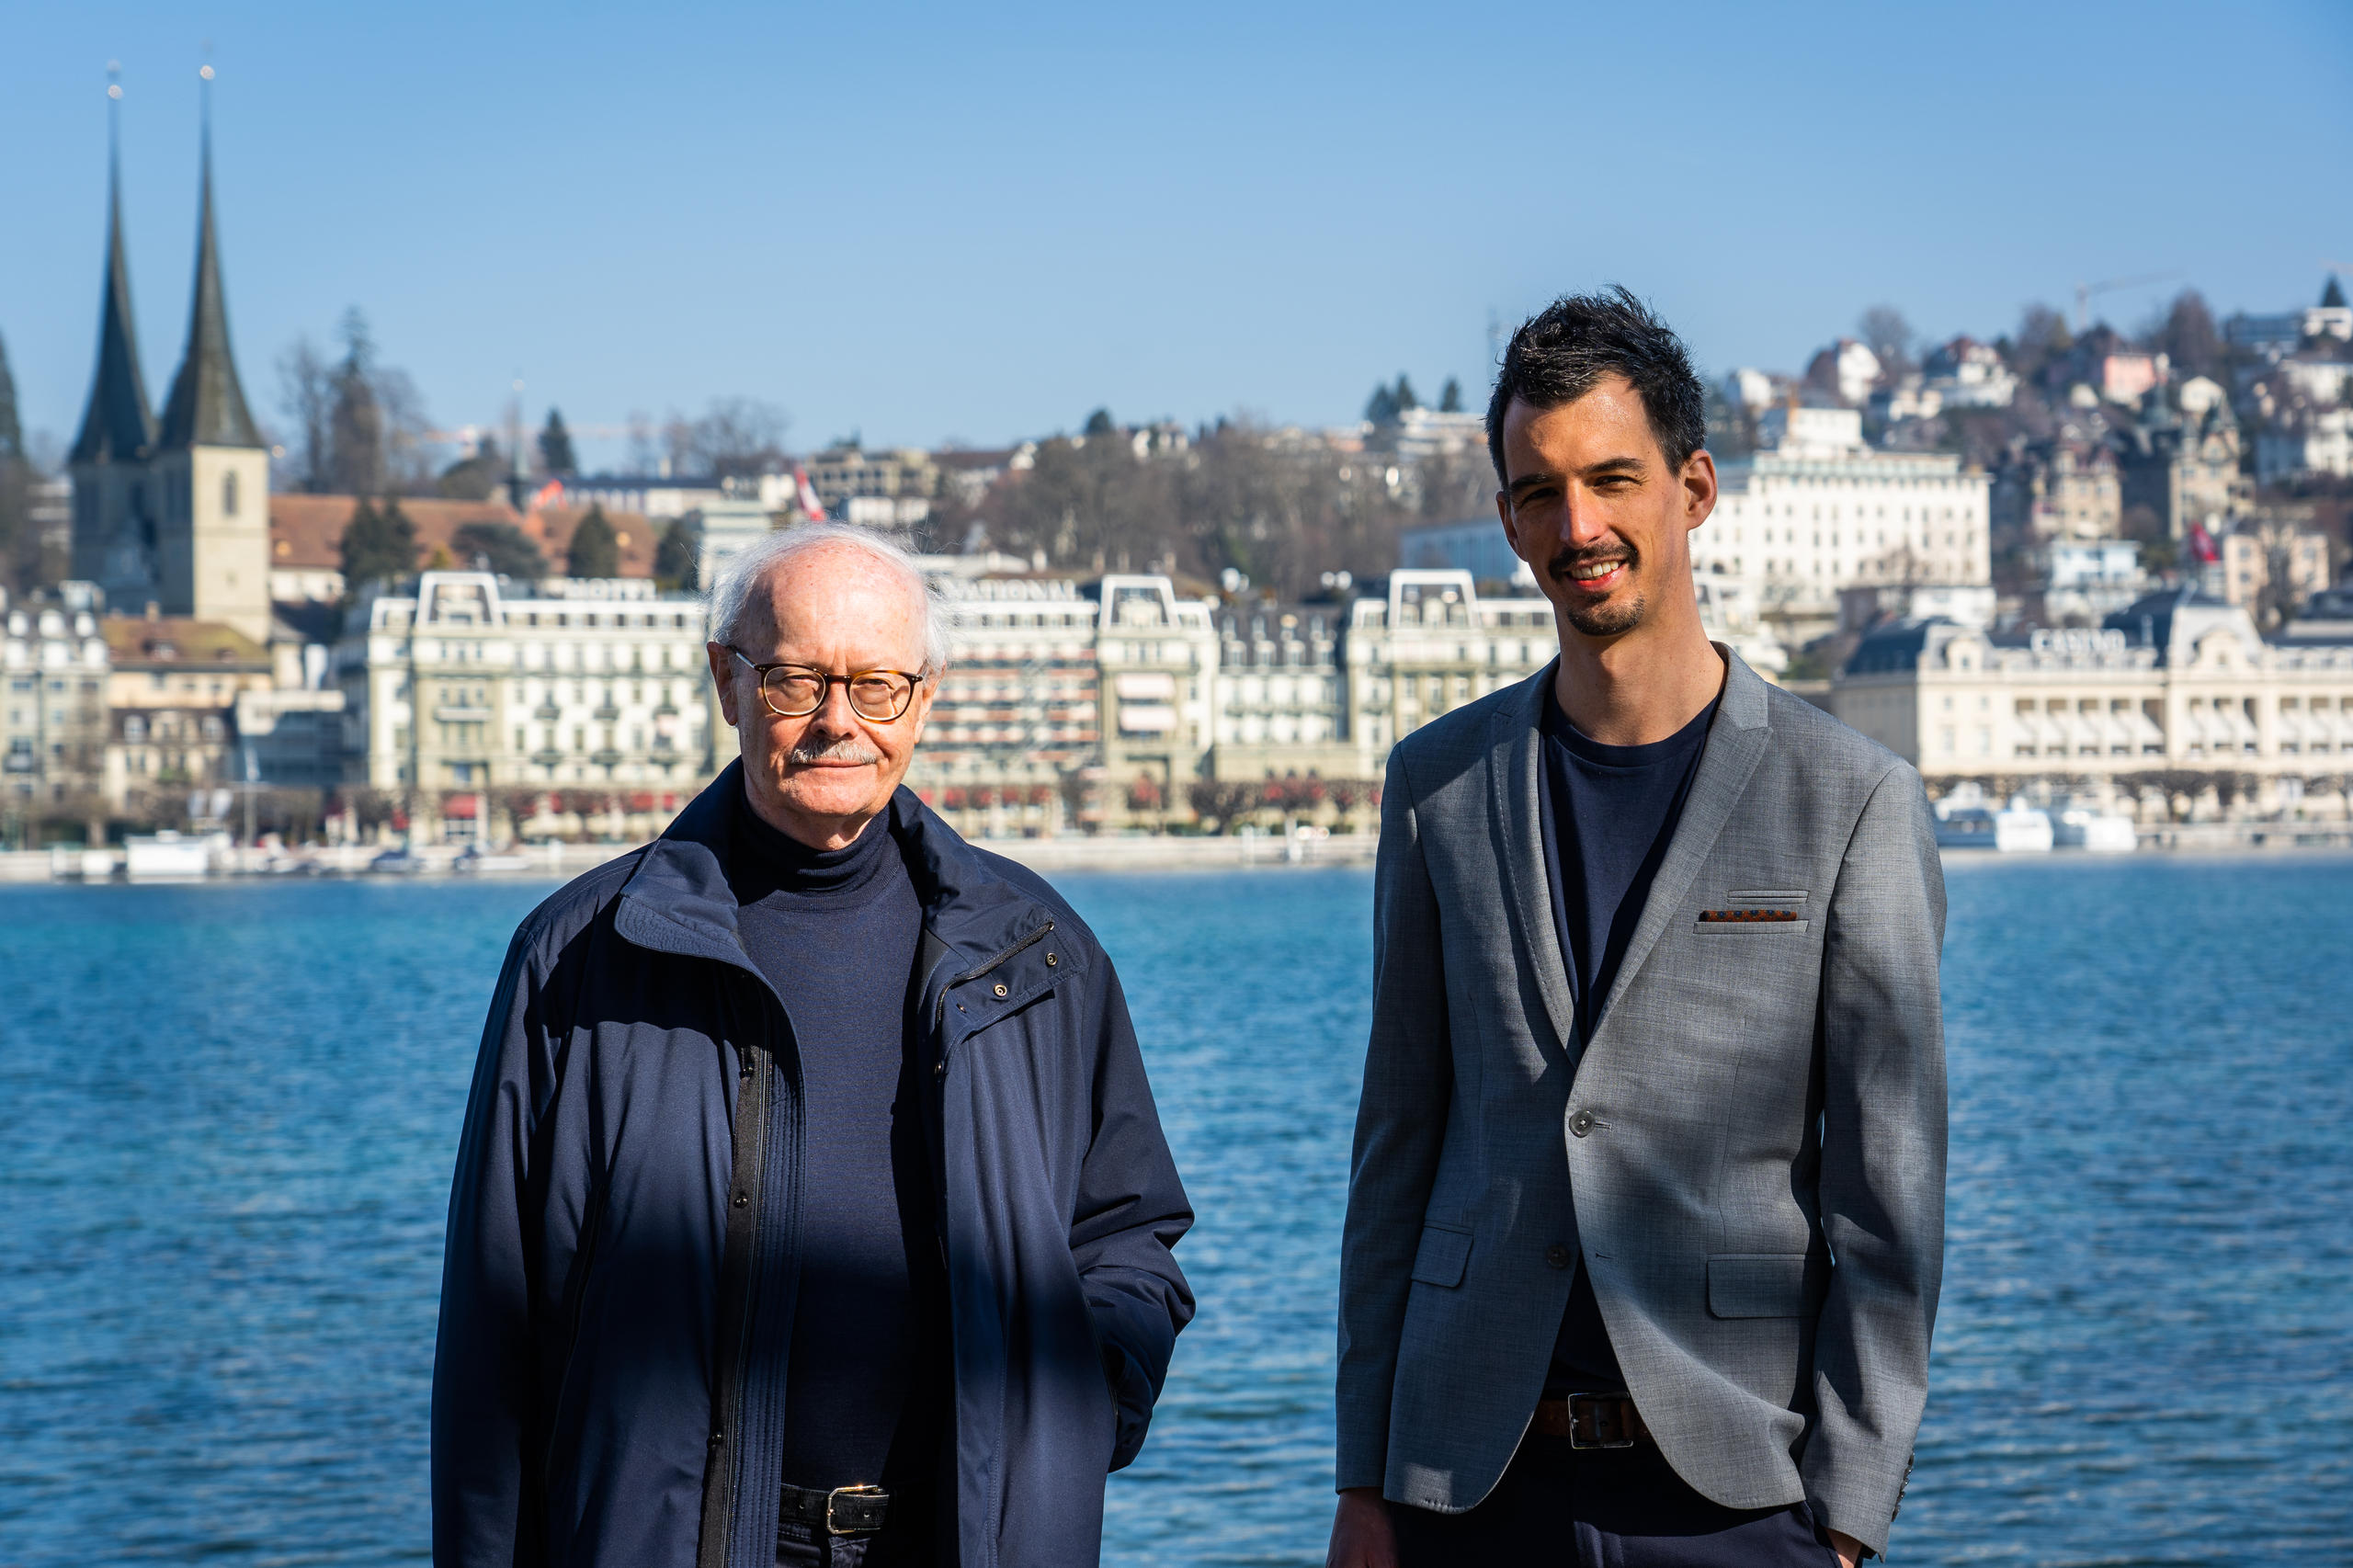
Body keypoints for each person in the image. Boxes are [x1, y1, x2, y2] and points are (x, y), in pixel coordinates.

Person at [433, 525, 1194, 1568]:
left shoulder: (1039, 955)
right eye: (797, 679)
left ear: (925, 696)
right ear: (726, 682)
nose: (840, 721)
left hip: (966, 1535)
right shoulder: (577, 960)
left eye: (877, 684)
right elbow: (493, 1342)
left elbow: (1128, 1233)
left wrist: (1067, 1413)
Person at [1329, 289, 1946, 1568]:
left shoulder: (1852, 800)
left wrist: (1844, 1515)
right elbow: (1398, 1141)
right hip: (1466, 1486)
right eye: (1539, 491)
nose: (1579, 525)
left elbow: (1890, 1195)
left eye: (1613, 479)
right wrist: (1365, 1479)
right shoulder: (1436, 786)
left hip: (1740, 1497)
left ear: (1696, 486)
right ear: (1507, 517)